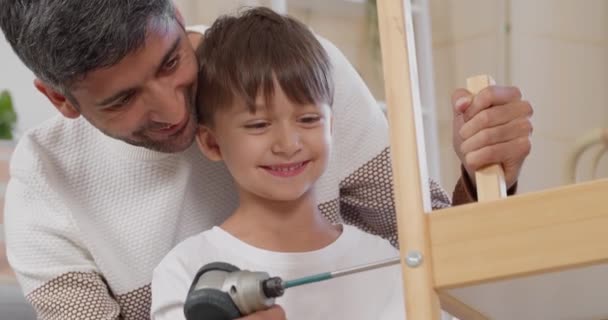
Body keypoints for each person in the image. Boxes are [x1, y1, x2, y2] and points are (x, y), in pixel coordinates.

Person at [0, 1, 532, 319]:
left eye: (170, 61)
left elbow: (435, 251)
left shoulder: (297, 74)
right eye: (122, 99)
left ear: (176, 16)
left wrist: (485, 173)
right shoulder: (43, 194)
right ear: (60, 99)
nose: (171, 110)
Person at [151, 8, 406, 319]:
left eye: (309, 119)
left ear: (331, 126)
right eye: (258, 125)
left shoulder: (383, 260)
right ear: (212, 142)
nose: (288, 144)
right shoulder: (188, 272)